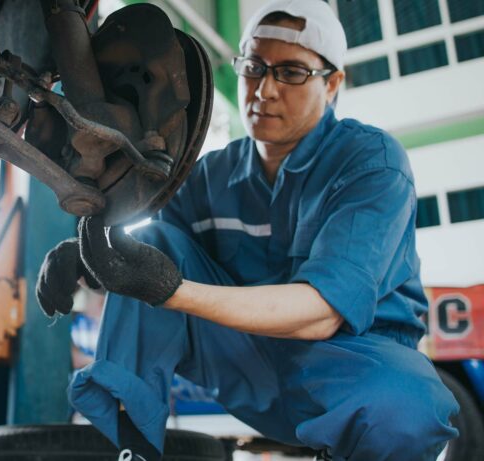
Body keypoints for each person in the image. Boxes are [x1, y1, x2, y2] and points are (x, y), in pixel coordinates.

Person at [36, 1, 459, 460]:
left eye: (292, 72)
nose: (265, 90)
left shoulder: (370, 162)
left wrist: (173, 291)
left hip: (346, 369)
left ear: (333, 84)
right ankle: (133, 447)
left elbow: (321, 314)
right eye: (254, 67)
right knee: (154, 238)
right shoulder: (210, 175)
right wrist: (86, 259)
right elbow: (150, 269)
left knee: (407, 405)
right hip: (245, 364)